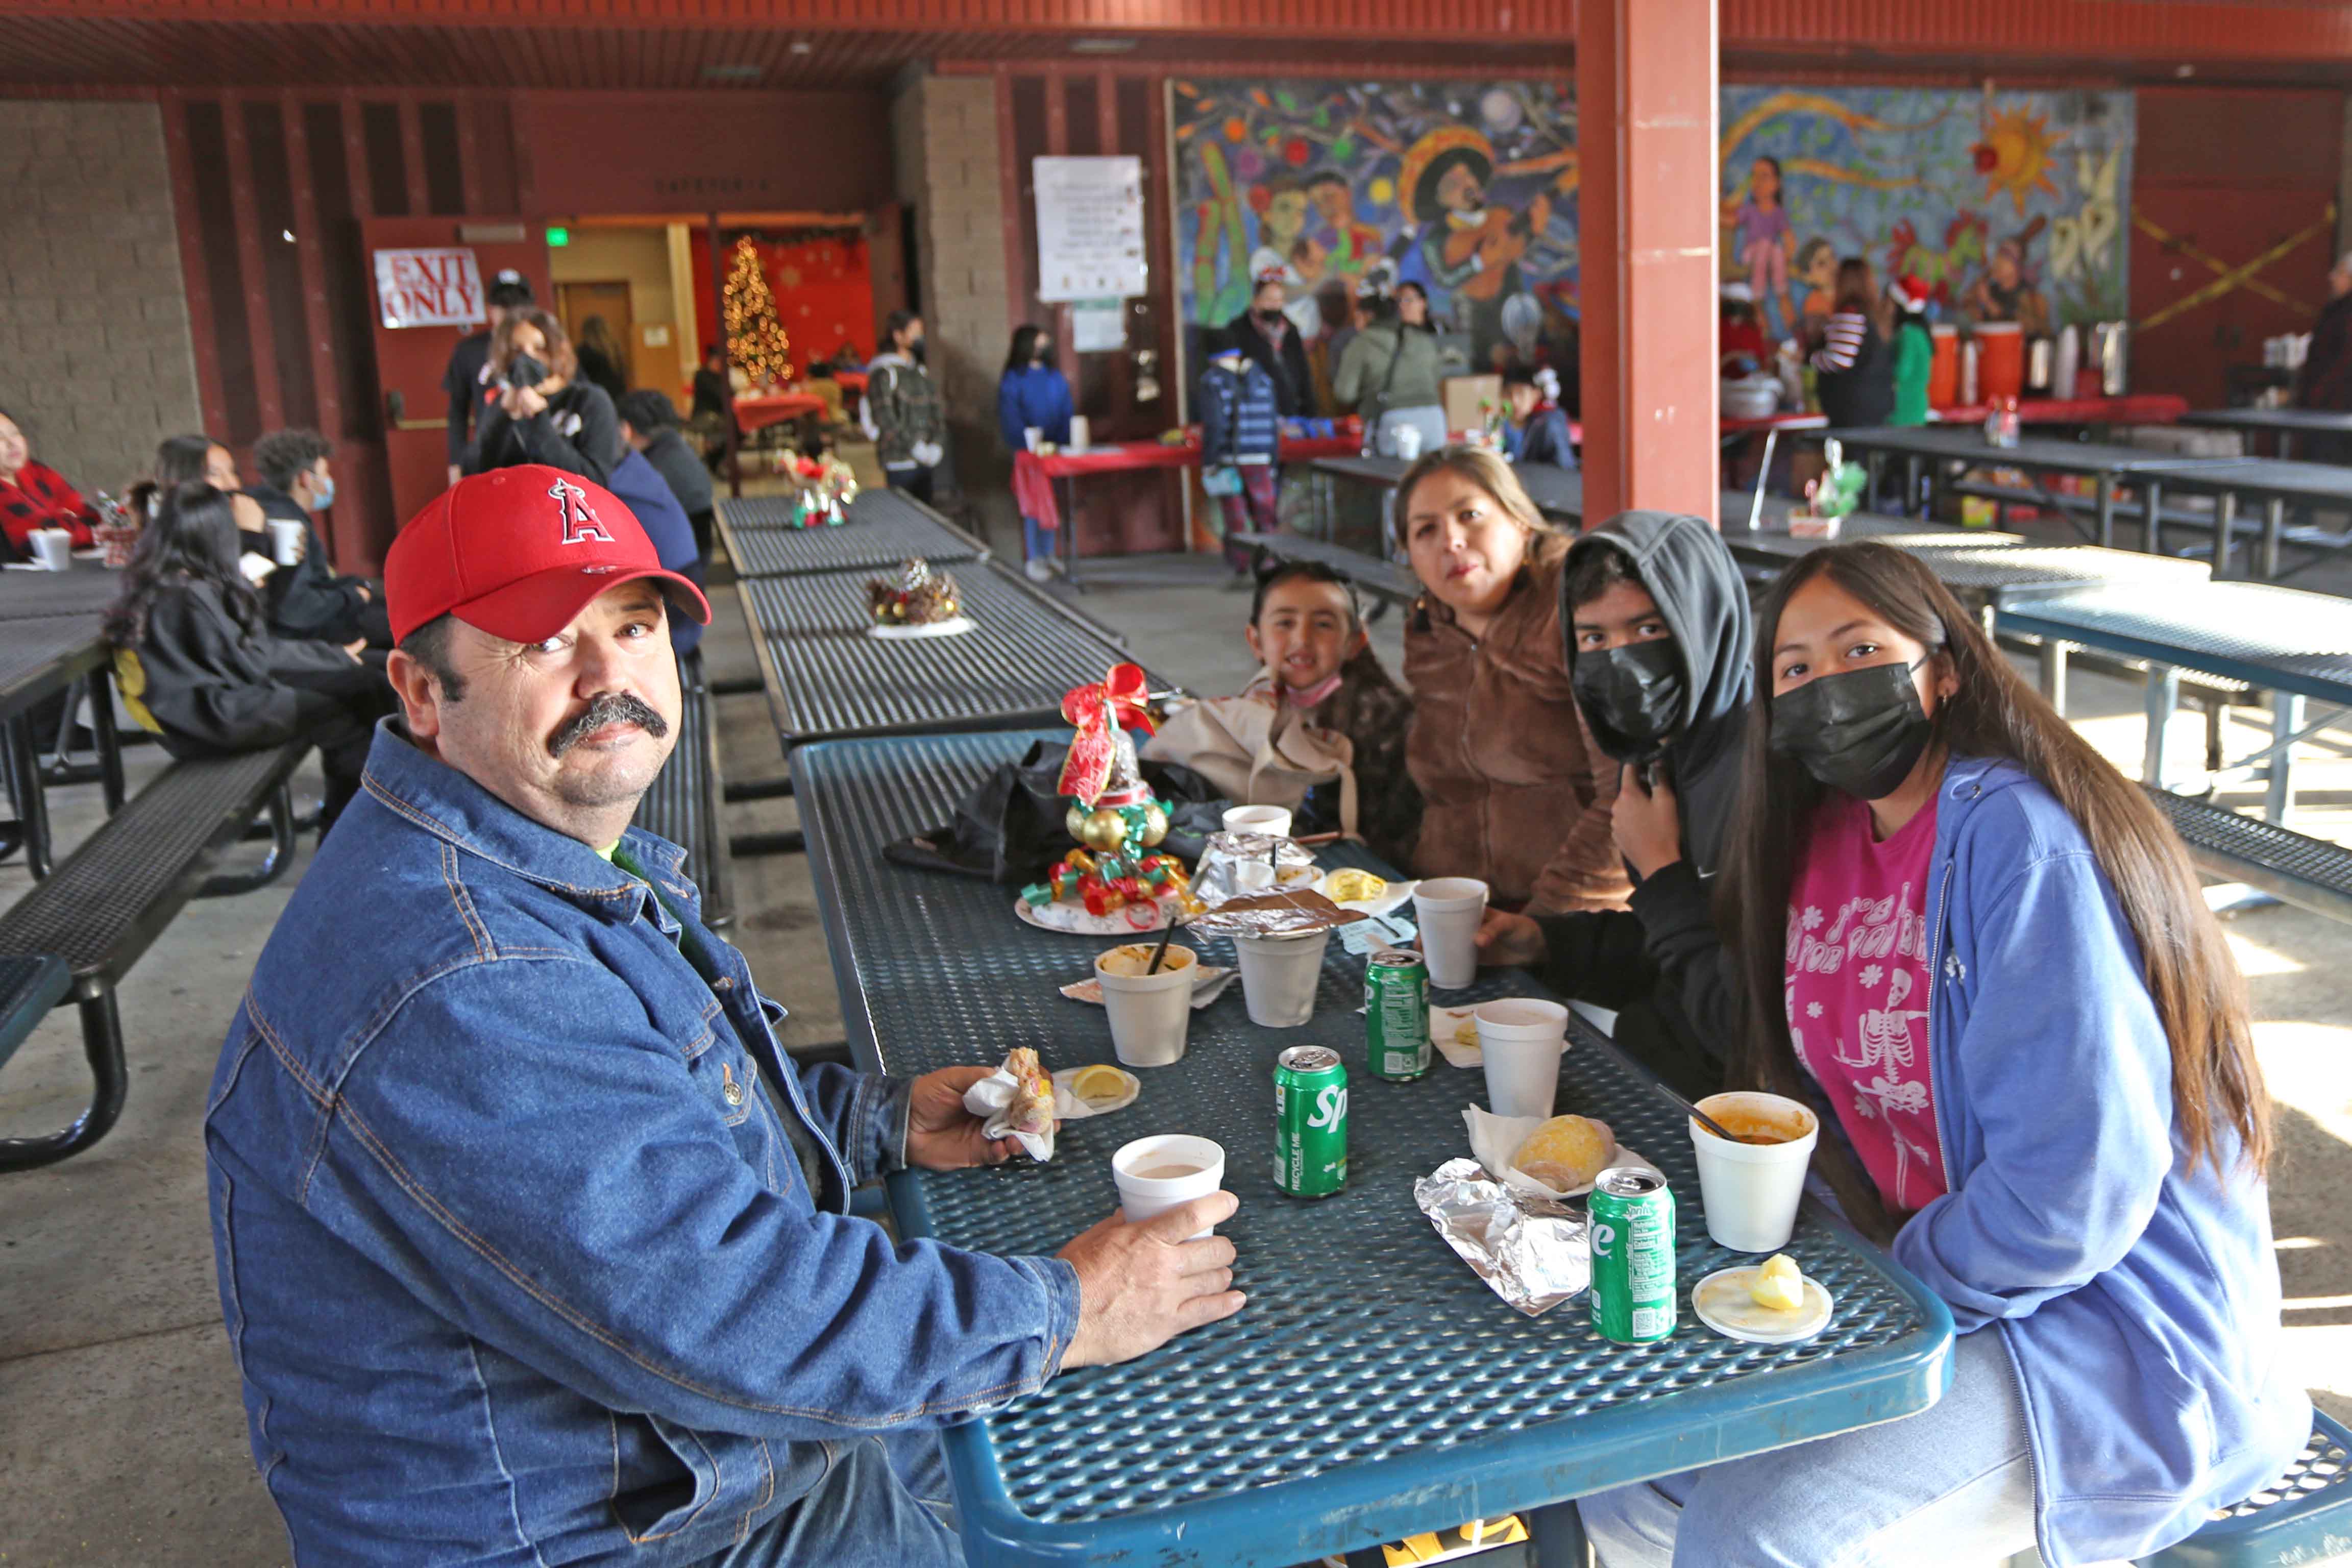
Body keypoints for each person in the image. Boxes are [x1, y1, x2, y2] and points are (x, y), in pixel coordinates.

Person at [203, 465, 1245, 1565]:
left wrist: (868, 1123)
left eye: (636, 624)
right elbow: (725, 1307)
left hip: (685, 1454)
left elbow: (636, 1126)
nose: (611, 674)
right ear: (422, 692)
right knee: (1129, 1450)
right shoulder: (461, 975)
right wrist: (1071, 1308)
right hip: (619, 1531)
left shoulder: (530, 859)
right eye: (546, 641)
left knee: (1129, 1436)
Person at [1578, 541, 2307, 1566]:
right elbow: (1831, 1103)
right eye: (1795, 671)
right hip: (1930, 1280)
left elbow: (2072, 1196)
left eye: (1860, 650)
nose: (1828, 689)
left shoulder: (2020, 841)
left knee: (1758, 1536)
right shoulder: (1818, 840)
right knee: (1626, 1470)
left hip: (2101, 1328)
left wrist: (1881, 1296)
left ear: (1945, 667)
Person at [1471, 512, 1749, 1098]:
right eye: (1595, 639)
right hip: (1656, 1067)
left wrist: (1662, 872)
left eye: (1648, 630)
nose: (1622, 663)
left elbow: (1747, 1026)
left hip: (1742, 1128)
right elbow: (1676, 954)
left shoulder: (1771, 775)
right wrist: (1547, 942)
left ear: (1702, 623)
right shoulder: (1663, 752)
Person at [1396, 446, 1626, 915]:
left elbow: (1629, 797)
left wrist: (1544, 928)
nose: (1451, 541)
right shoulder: (1429, 631)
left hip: (1574, 919)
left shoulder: (1578, 611)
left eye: (1470, 515)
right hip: (1451, 908)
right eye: (1426, 530)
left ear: (1521, 521)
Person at [104, 482, 377, 827]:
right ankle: (352, 825)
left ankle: (356, 818)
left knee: (359, 682)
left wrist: (331, 657)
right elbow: (254, 659)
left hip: (201, 704)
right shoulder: (190, 594)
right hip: (208, 718)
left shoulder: (171, 578)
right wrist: (334, 659)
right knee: (342, 706)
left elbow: (245, 650)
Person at [1245, 560, 1420, 870]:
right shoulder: (1256, 707)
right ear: (1256, 640)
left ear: (1355, 642)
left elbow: (1390, 843)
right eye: (1285, 623)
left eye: (1324, 624)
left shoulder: (1386, 725)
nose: (1302, 639)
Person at [248, 428, 390, 650]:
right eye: (325, 474)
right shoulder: (287, 526)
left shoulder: (274, 510)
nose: (329, 482)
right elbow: (294, 606)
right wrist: (351, 596)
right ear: (306, 479)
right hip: (305, 636)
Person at [467, 308, 622, 488]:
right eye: (517, 350)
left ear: (559, 350)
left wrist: (537, 418)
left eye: (539, 348)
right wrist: (501, 416)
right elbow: (474, 473)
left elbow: (594, 480)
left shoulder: (590, 400)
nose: (528, 357)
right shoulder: (502, 405)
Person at [1335, 280, 1457, 460]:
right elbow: (1435, 377)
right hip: (1434, 420)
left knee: (1394, 483)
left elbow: (1344, 393)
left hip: (1393, 422)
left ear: (1367, 316)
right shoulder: (1420, 338)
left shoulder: (1362, 343)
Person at [1198, 337, 1282, 580]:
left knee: (1235, 517)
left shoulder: (1212, 382)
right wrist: (1273, 460)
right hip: (1261, 458)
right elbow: (1273, 425)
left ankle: (1242, 566)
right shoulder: (1264, 380)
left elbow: (1215, 425)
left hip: (1230, 459)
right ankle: (1269, 563)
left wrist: (1209, 461)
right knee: (1265, 514)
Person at [997, 325, 1075, 581]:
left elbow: (1066, 409)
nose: (1044, 348)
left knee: (1053, 502)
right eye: (1039, 343)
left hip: (1055, 450)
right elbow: (1010, 415)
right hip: (1027, 453)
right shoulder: (1014, 378)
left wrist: (1063, 440)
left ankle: (1050, 552)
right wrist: (1027, 442)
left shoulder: (1054, 376)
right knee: (1032, 505)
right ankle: (1034, 556)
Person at [443, 269, 533, 487]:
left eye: (517, 304)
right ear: (490, 309)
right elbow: (458, 411)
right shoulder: (469, 351)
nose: (510, 312)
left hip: (539, 448)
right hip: (490, 452)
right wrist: (456, 463)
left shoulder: (545, 346)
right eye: (503, 305)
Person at [617, 389, 716, 568]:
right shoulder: (672, 444)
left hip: (686, 555)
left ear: (629, 428)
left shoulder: (652, 464)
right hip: (699, 539)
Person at [863, 311, 947, 505]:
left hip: (926, 460)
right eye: (915, 332)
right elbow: (885, 419)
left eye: (921, 332)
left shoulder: (920, 372)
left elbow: (936, 411)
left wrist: (936, 445)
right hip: (899, 460)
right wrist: (915, 447)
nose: (920, 337)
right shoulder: (884, 373)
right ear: (898, 336)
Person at [1808, 257, 1894, 429]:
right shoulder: (1873, 318)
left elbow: (1840, 359)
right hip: (1873, 406)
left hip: (1852, 409)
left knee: (1850, 457)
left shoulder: (1850, 314)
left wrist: (1812, 359)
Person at [0, 406, 99, 557]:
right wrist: (68, 519)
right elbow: (35, 540)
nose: (12, 443)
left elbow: (94, 518)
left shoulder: (36, 471)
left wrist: (57, 523)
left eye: (15, 434)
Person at [1227, 271, 1316, 419]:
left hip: (1291, 412)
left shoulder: (1290, 331)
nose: (1274, 306)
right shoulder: (1238, 330)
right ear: (1256, 300)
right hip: (1256, 413)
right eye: (1269, 300)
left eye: (1279, 301)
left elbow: (1303, 372)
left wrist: (1311, 412)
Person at [1724, 156, 1797, 338]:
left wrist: (1788, 256)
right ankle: (1758, 298)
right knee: (1766, 246)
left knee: (1775, 250)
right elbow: (1732, 221)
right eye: (1755, 177)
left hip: (1770, 257)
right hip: (1752, 255)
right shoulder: (1750, 210)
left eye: (1764, 177)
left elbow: (1788, 238)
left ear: (1776, 184)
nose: (1757, 182)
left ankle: (1782, 294)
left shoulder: (1778, 212)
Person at [2294, 250, 2352, 411]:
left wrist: (2319, 391)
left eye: (2340, 273)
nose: (2332, 277)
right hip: (2322, 401)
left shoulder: (2346, 313)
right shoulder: (2335, 309)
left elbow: (2345, 359)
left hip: (2336, 405)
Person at [1500, 366, 1576, 469]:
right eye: (1508, 394)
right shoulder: (1500, 425)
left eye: (1521, 393)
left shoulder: (1550, 425)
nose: (1514, 401)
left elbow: (1564, 469)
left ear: (1536, 394)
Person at [1889, 273, 1934, 428]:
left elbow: (1901, 372)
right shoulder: (1919, 332)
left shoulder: (1909, 335)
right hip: (1915, 410)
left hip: (1903, 412)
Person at [688, 342, 738, 469]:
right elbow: (720, 395)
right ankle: (716, 458)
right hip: (704, 416)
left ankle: (718, 457)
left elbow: (730, 394)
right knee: (730, 426)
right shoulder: (702, 376)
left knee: (737, 425)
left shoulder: (721, 377)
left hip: (720, 414)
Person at [573, 313, 630, 402]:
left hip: (597, 398)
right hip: (618, 397)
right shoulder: (615, 349)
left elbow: (579, 379)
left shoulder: (584, 351)